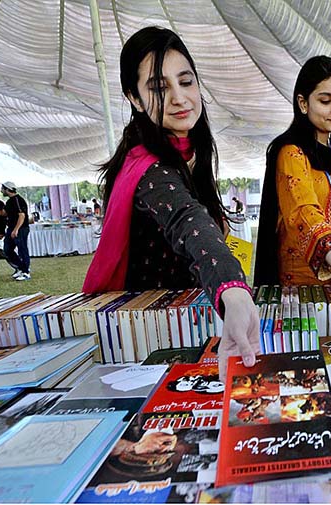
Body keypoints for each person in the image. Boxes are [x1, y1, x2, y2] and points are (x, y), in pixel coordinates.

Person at [81, 26, 259, 379]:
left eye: (186, 81)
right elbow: (187, 221)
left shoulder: (189, 151)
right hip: (147, 342)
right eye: (159, 88)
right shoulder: (147, 167)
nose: (179, 98)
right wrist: (235, 294)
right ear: (134, 98)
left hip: (183, 324)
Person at [255, 56, 331, 324]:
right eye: (326, 100)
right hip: (298, 290)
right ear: (303, 103)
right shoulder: (291, 153)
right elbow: (305, 215)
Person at [1, 181, 31, 281]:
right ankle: (21, 267)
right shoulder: (9, 201)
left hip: (20, 228)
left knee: (22, 249)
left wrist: (16, 229)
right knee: (7, 249)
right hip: (11, 228)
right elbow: (3, 213)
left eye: (2, 188)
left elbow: (21, 216)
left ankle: (26, 272)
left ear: (7, 189)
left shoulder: (18, 200)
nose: (1, 191)